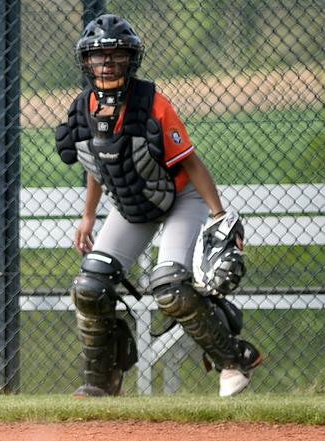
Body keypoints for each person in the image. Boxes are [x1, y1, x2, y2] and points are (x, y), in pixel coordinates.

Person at [54, 14, 263, 398]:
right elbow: (98, 166)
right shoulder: (83, 109)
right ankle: (102, 381)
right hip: (135, 205)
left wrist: (219, 216)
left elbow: (190, 162)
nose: (108, 63)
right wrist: (87, 216)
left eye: (117, 55)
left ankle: (235, 359)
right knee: (89, 285)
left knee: (169, 287)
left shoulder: (152, 102)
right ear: (86, 62)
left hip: (181, 196)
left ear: (131, 59)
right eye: (100, 56)